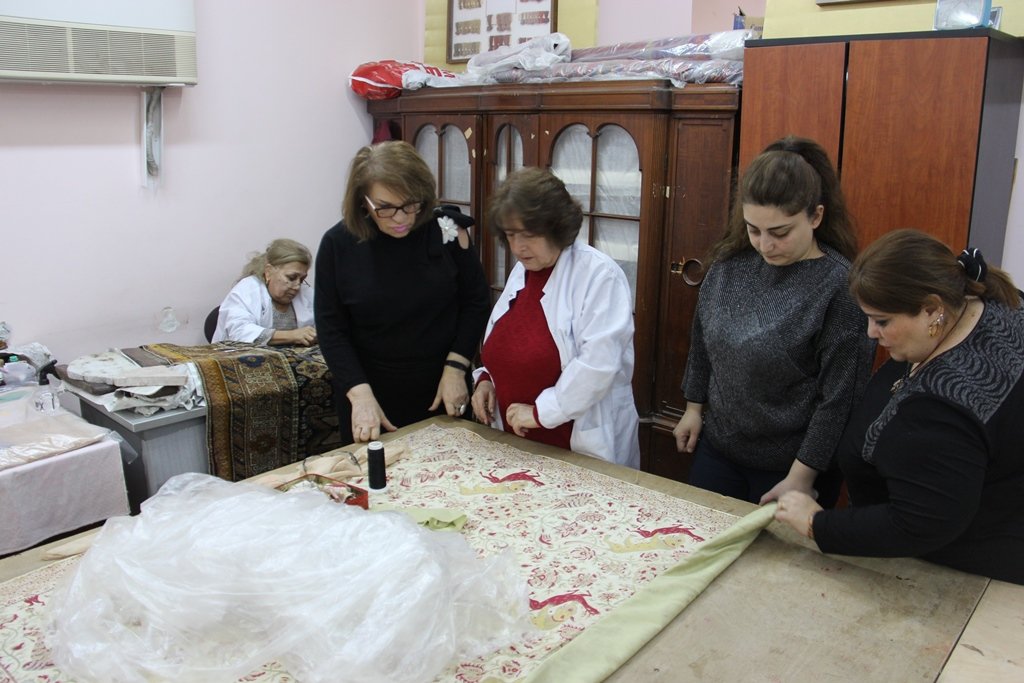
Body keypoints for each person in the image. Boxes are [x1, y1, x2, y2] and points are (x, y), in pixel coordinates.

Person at [775, 229, 1024, 584]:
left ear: (932, 310)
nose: (870, 333)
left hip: (961, 569)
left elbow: (920, 523)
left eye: (882, 320)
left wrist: (816, 523)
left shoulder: (943, 405)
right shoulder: (999, 302)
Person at [673, 136, 876, 505]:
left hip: (793, 467)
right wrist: (693, 407)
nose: (765, 245)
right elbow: (703, 341)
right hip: (718, 447)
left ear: (816, 216)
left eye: (780, 233)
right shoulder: (728, 266)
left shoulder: (839, 288)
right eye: (753, 230)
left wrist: (802, 477)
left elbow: (840, 399)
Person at [314, 141, 490, 445]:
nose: (401, 218)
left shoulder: (447, 231)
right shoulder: (338, 244)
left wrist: (457, 366)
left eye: (411, 204)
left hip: (443, 383)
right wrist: (359, 394)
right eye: (385, 208)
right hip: (369, 391)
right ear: (362, 202)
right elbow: (331, 329)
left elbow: (476, 301)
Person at [470, 167, 640, 468]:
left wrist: (541, 413)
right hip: (515, 439)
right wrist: (486, 379)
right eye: (511, 235)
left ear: (557, 227)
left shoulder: (599, 275)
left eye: (529, 235)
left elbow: (597, 365)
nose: (517, 247)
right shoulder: (524, 270)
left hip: (571, 443)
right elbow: (505, 342)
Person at [212, 238, 317, 346]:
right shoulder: (247, 291)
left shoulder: (306, 294)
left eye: (302, 279)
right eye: (291, 277)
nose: (297, 286)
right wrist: (292, 335)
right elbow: (239, 332)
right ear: (268, 271)